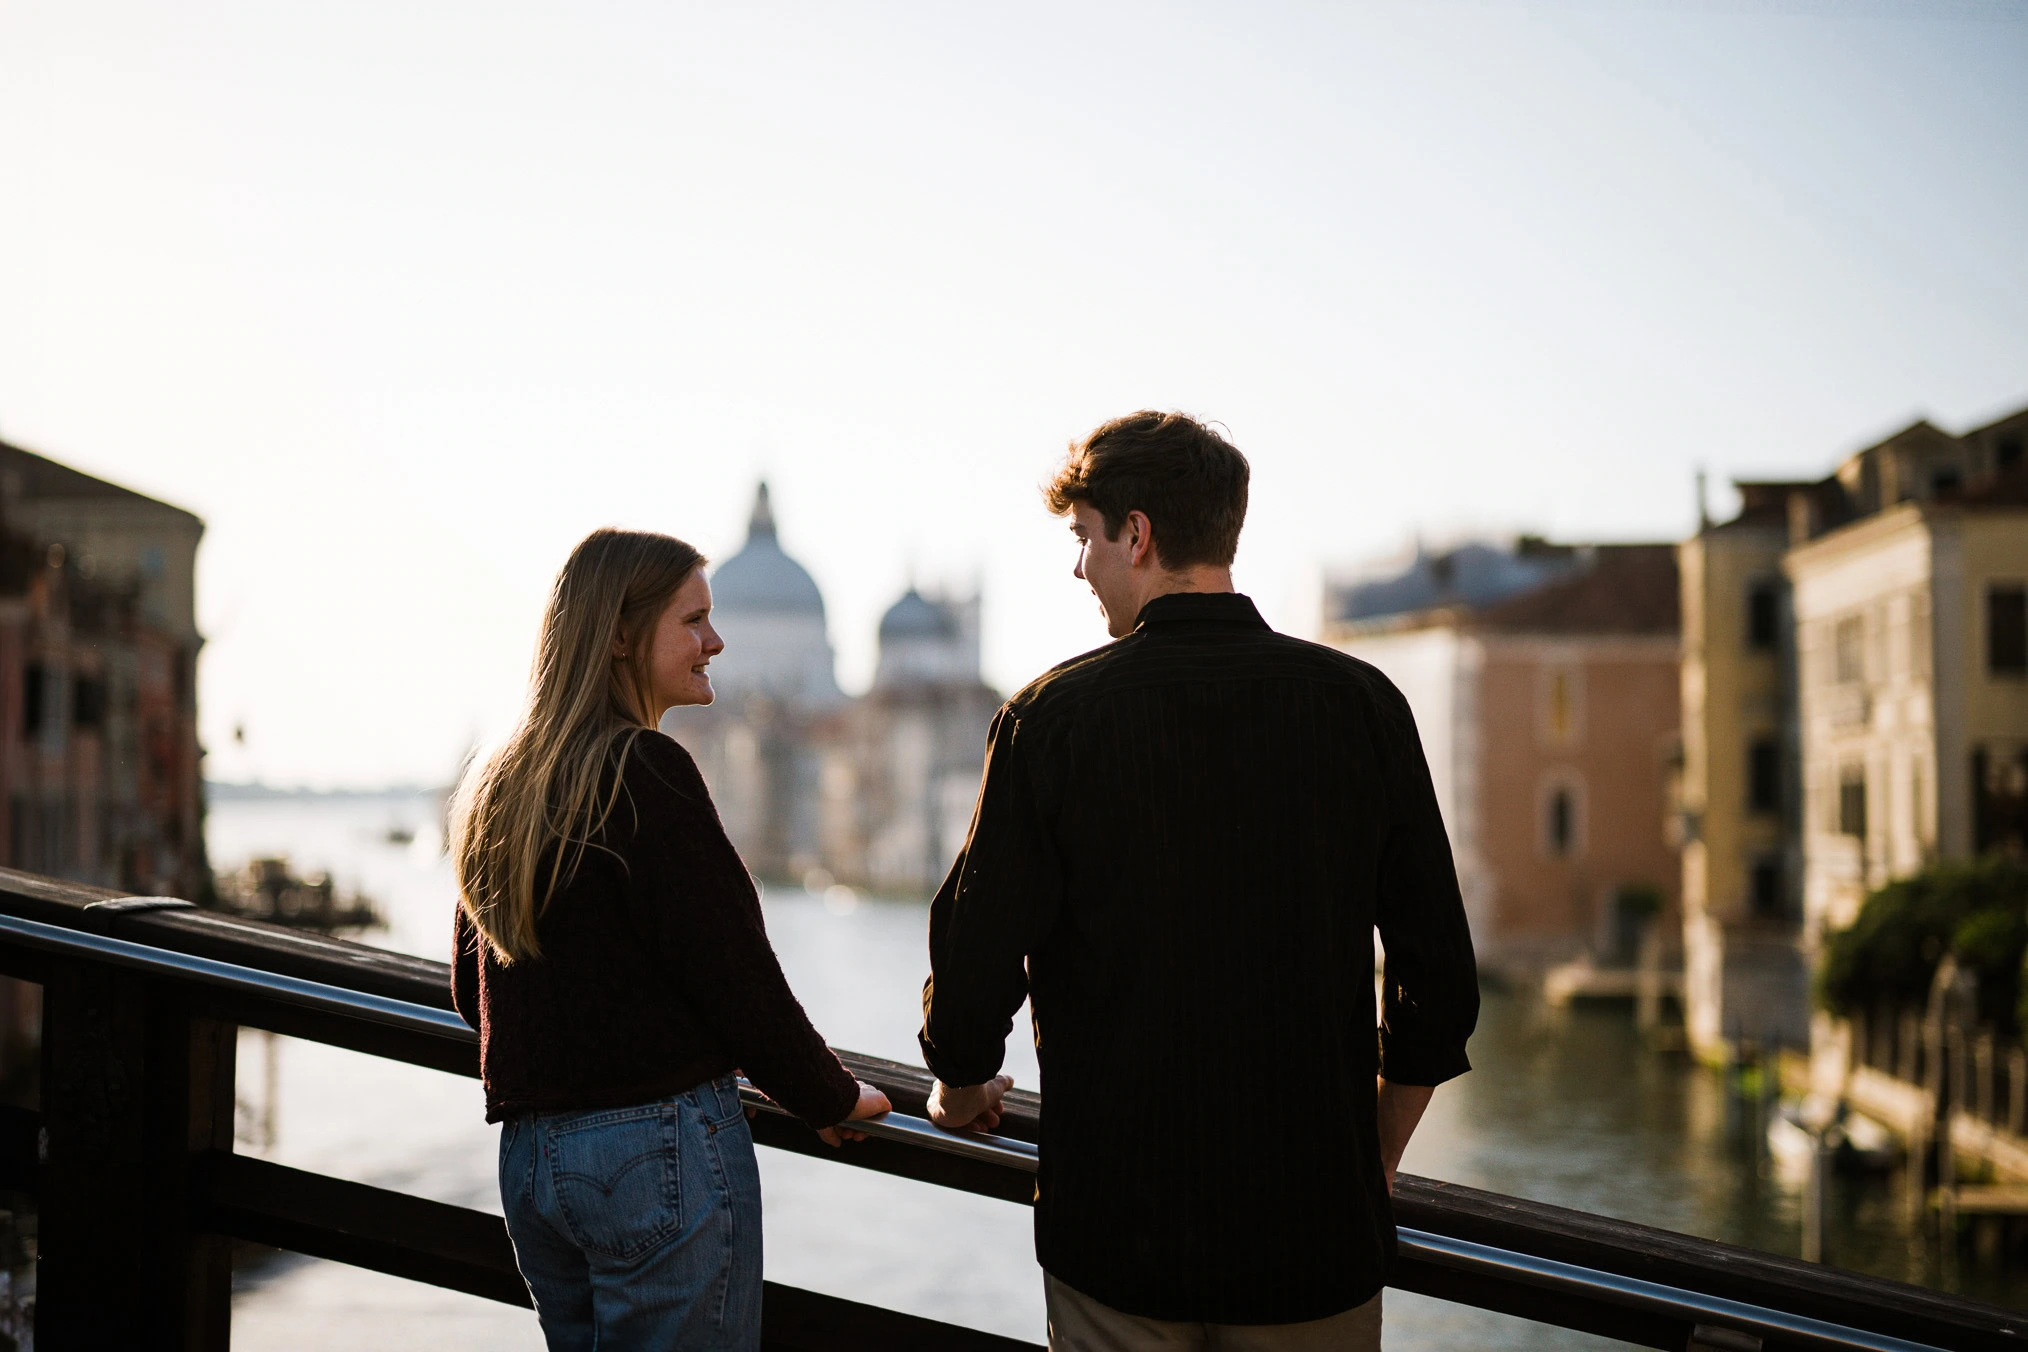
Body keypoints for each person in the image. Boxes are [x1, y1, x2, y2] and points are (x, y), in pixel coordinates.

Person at [919, 412, 1479, 1351]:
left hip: (1118, 1236)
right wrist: (1368, 1157)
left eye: (1085, 538)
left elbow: (976, 957)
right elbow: (1441, 982)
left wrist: (963, 1083)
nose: (1080, 567)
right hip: (1313, 1240)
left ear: (1136, 536)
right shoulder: (1362, 707)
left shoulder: (1049, 721)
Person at [450, 527, 890, 1351]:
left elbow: (472, 990)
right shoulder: (647, 769)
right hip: (654, 1155)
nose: (716, 642)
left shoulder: (504, 783)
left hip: (534, 1163)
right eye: (693, 621)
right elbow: (735, 975)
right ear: (620, 634)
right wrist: (827, 1096)